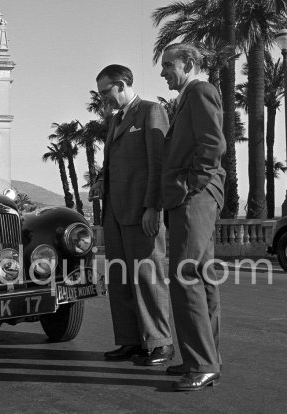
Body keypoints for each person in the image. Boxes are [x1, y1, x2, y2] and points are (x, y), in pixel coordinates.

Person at [89, 64, 174, 366]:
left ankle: (160, 342)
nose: (103, 99)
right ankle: (131, 341)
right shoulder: (115, 121)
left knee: (148, 278)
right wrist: (101, 181)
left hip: (142, 213)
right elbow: (112, 164)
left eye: (105, 92)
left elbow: (159, 163)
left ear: (122, 84)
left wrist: (154, 207)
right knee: (120, 278)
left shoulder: (151, 111)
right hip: (114, 212)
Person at [159, 43, 226, 391]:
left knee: (186, 275)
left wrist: (189, 184)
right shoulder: (188, 96)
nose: (163, 72)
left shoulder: (200, 91)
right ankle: (202, 358)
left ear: (188, 63)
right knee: (202, 277)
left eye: (168, 65)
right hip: (194, 197)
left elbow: (213, 144)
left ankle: (202, 363)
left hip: (196, 197)